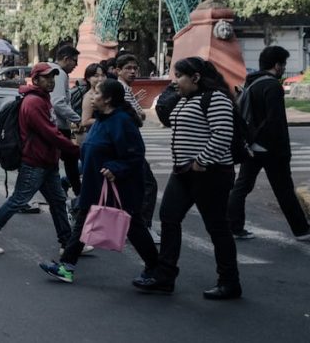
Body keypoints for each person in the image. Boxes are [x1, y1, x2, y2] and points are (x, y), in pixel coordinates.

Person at [133, 57, 241, 300]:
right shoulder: (186, 98)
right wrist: (173, 92)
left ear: (195, 77)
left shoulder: (216, 98)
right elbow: (166, 116)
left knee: (217, 227)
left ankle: (229, 281)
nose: (175, 81)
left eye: (179, 76)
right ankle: (164, 276)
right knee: (169, 217)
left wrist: (202, 160)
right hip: (183, 172)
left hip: (211, 173)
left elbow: (223, 134)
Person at [39, 79, 158, 285]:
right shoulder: (102, 119)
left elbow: (135, 154)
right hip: (95, 184)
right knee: (82, 222)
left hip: (119, 187)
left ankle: (156, 269)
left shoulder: (122, 121)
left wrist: (115, 168)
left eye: (96, 93)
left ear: (108, 99)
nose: (91, 96)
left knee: (134, 227)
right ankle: (66, 267)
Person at [0, 63, 79, 254]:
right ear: (36, 80)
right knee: (19, 199)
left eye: (53, 77)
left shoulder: (43, 99)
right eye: (46, 77)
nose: (51, 81)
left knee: (57, 201)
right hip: (35, 161)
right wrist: (74, 149)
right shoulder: (34, 102)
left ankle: (68, 243)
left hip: (46, 161)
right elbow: (50, 132)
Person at [228, 46, 310, 242]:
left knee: (241, 187)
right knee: (284, 190)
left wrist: (251, 140)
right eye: (283, 64)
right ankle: (301, 230)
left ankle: (234, 226)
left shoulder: (252, 83)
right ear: (277, 65)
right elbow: (275, 121)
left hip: (252, 147)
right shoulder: (272, 86)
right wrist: (282, 151)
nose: (284, 68)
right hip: (272, 149)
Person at [117, 53, 158, 242]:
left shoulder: (126, 90)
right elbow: (135, 117)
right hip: (128, 147)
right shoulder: (120, 90)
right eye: (128, 68)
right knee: (148, 185)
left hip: (128, 145)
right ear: (118, 70)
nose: (133, 71)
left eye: (135, 68)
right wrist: (138, 114)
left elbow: (138, 115)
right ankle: (143, 227)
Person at [49, 45, 82, 197]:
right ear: (66, 59)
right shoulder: (59, 73)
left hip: (55, 125)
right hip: (58, 127)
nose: (76, 65)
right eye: (74, 61)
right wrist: (77, 119)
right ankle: (78, 193)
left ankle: (68, 191)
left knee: (66, 161)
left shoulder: (54, 71)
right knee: (71, 159)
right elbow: (58, 103)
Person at [76, 63, 107, 148]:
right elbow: (85, 121)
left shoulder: (104, 93)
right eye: (96, 76)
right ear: (88, 78)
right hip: (95, 137)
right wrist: (108, 120)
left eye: (103, 75)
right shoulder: (89, 96)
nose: (100, 79)